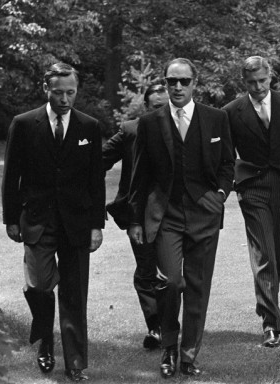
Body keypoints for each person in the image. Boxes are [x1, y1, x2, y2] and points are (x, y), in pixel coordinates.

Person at [127, 58, 234, 378]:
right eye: (172, 81)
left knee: (198, 287)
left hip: (205, 214)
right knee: (171, 281)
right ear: (165, 81)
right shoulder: (150, 122)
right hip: (166, 215)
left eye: (183, 81)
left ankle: (188, 356)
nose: (177, 87)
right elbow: (139, 176)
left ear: (194, 83)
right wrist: (135, 220)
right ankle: (169, 347)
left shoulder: (216, 119)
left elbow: (228, 164)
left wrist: (220, 195)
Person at [1, 63, 105, 381]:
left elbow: (95, 180)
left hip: (76, 222)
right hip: (36, 219)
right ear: (45, 89)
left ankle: (75, 364)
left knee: (74, 295)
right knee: (39, 286)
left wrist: (97, 224)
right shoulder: (23, 124)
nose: (64, 99)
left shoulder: (89, 127)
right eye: (58, 92)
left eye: (70, 92)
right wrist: (10, 219)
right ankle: (45, 337)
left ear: (76, 91)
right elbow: (11, 176)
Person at [223, 56, 280, 347]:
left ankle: (269, 307)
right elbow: (225, 155)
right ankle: (270, 323)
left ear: (271, 76)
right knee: (264, 253)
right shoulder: (231, 111)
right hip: (252, 188)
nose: (258, 87)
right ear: (244, 82)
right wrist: (236, 184)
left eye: (262, 81)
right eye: (251, 83)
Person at [102, 83, 170, 350]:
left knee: (174, 275)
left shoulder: (187, 129)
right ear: (146, 107)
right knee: (146, 271)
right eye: (156, 107)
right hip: (139, 214)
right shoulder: (131, 130)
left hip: (176, 212)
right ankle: (156, 328)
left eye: (167, 106)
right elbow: (98, 161)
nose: (163, 111)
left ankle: (171, 324)